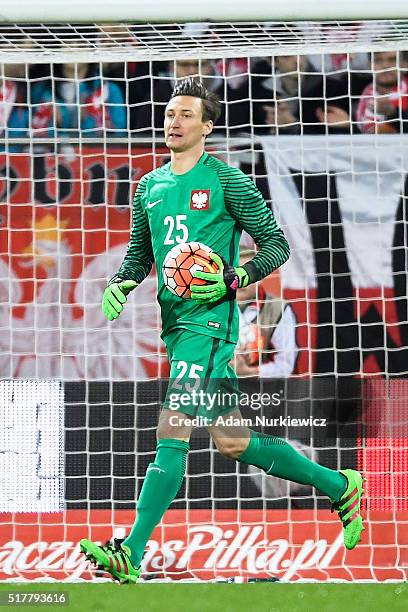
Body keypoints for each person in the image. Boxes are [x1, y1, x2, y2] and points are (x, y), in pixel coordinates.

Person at [80, 77, 364, 584]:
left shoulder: (229, 182)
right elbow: (141, 253)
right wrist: (122, 282)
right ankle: (338, 483)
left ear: (207, 127)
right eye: (170, 112)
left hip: (210, 324)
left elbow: (277, 246)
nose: (174, 121)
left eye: (186, 114)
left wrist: (234, 278)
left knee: (173, 428)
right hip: (176, 324)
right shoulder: (150, 185)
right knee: (233, 441)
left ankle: (131, 550)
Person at [234, 246, 298, 377]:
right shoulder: (211, 306)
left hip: (261, 391)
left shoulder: (278, 309)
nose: (241, 281)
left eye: (247, 274)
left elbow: (286, 365)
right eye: (235, 273)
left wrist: (249, 372)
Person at [356, 50, 408, 134]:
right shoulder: (353, 93)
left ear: (405, 64)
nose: (385, 66)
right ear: (370, 66)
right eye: (378, 60)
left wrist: (394, 114)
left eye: (393, 60)